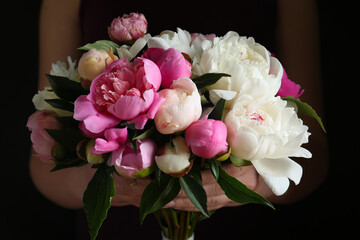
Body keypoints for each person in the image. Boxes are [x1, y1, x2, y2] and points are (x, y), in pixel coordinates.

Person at [31, 0, 328, 238]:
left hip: (247, 226)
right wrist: (98, 183)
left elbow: (314, 159)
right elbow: (41, 162)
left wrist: (252, 183)